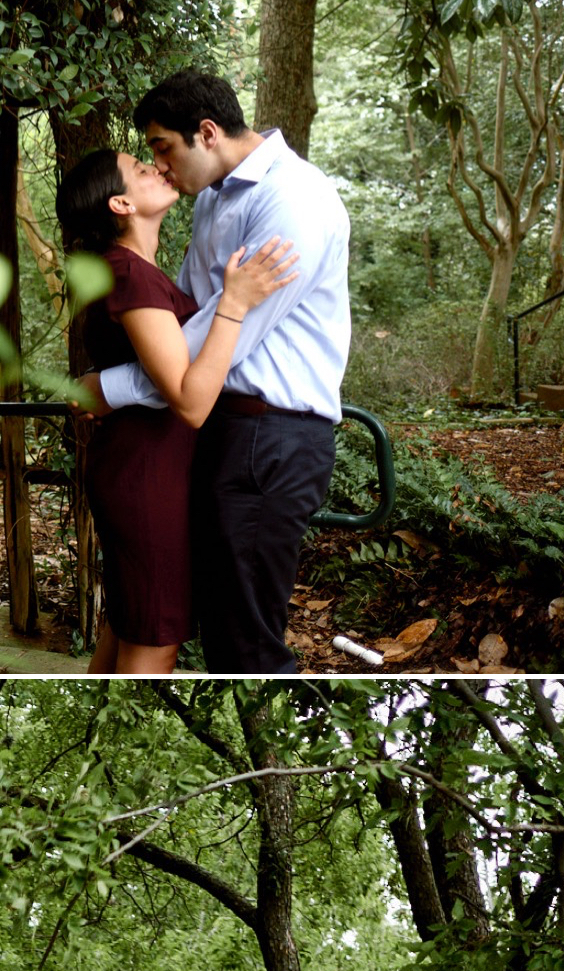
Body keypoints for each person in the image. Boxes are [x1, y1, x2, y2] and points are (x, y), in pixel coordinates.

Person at [103, 72, 352, 674]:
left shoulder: (294, 198)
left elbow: (228, 331)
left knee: (247, 642)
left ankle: (278, 763)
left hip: (273, 436)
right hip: (219, 429)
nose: (160, 166)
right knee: (219, 633)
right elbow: (187, 317)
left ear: (206, 133)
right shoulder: (215, 198)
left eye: (162, 147)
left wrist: (112, 387)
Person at [63, 141, 299, 674]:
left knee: (130, 623)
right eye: (142, 169)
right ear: (120, 204)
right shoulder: (129, 274)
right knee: (154, 638)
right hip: (147, 473)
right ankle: (122, 753)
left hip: (145, 467)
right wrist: (234, 306)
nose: (159, 169)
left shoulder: (135, 270)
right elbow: (190, 401)